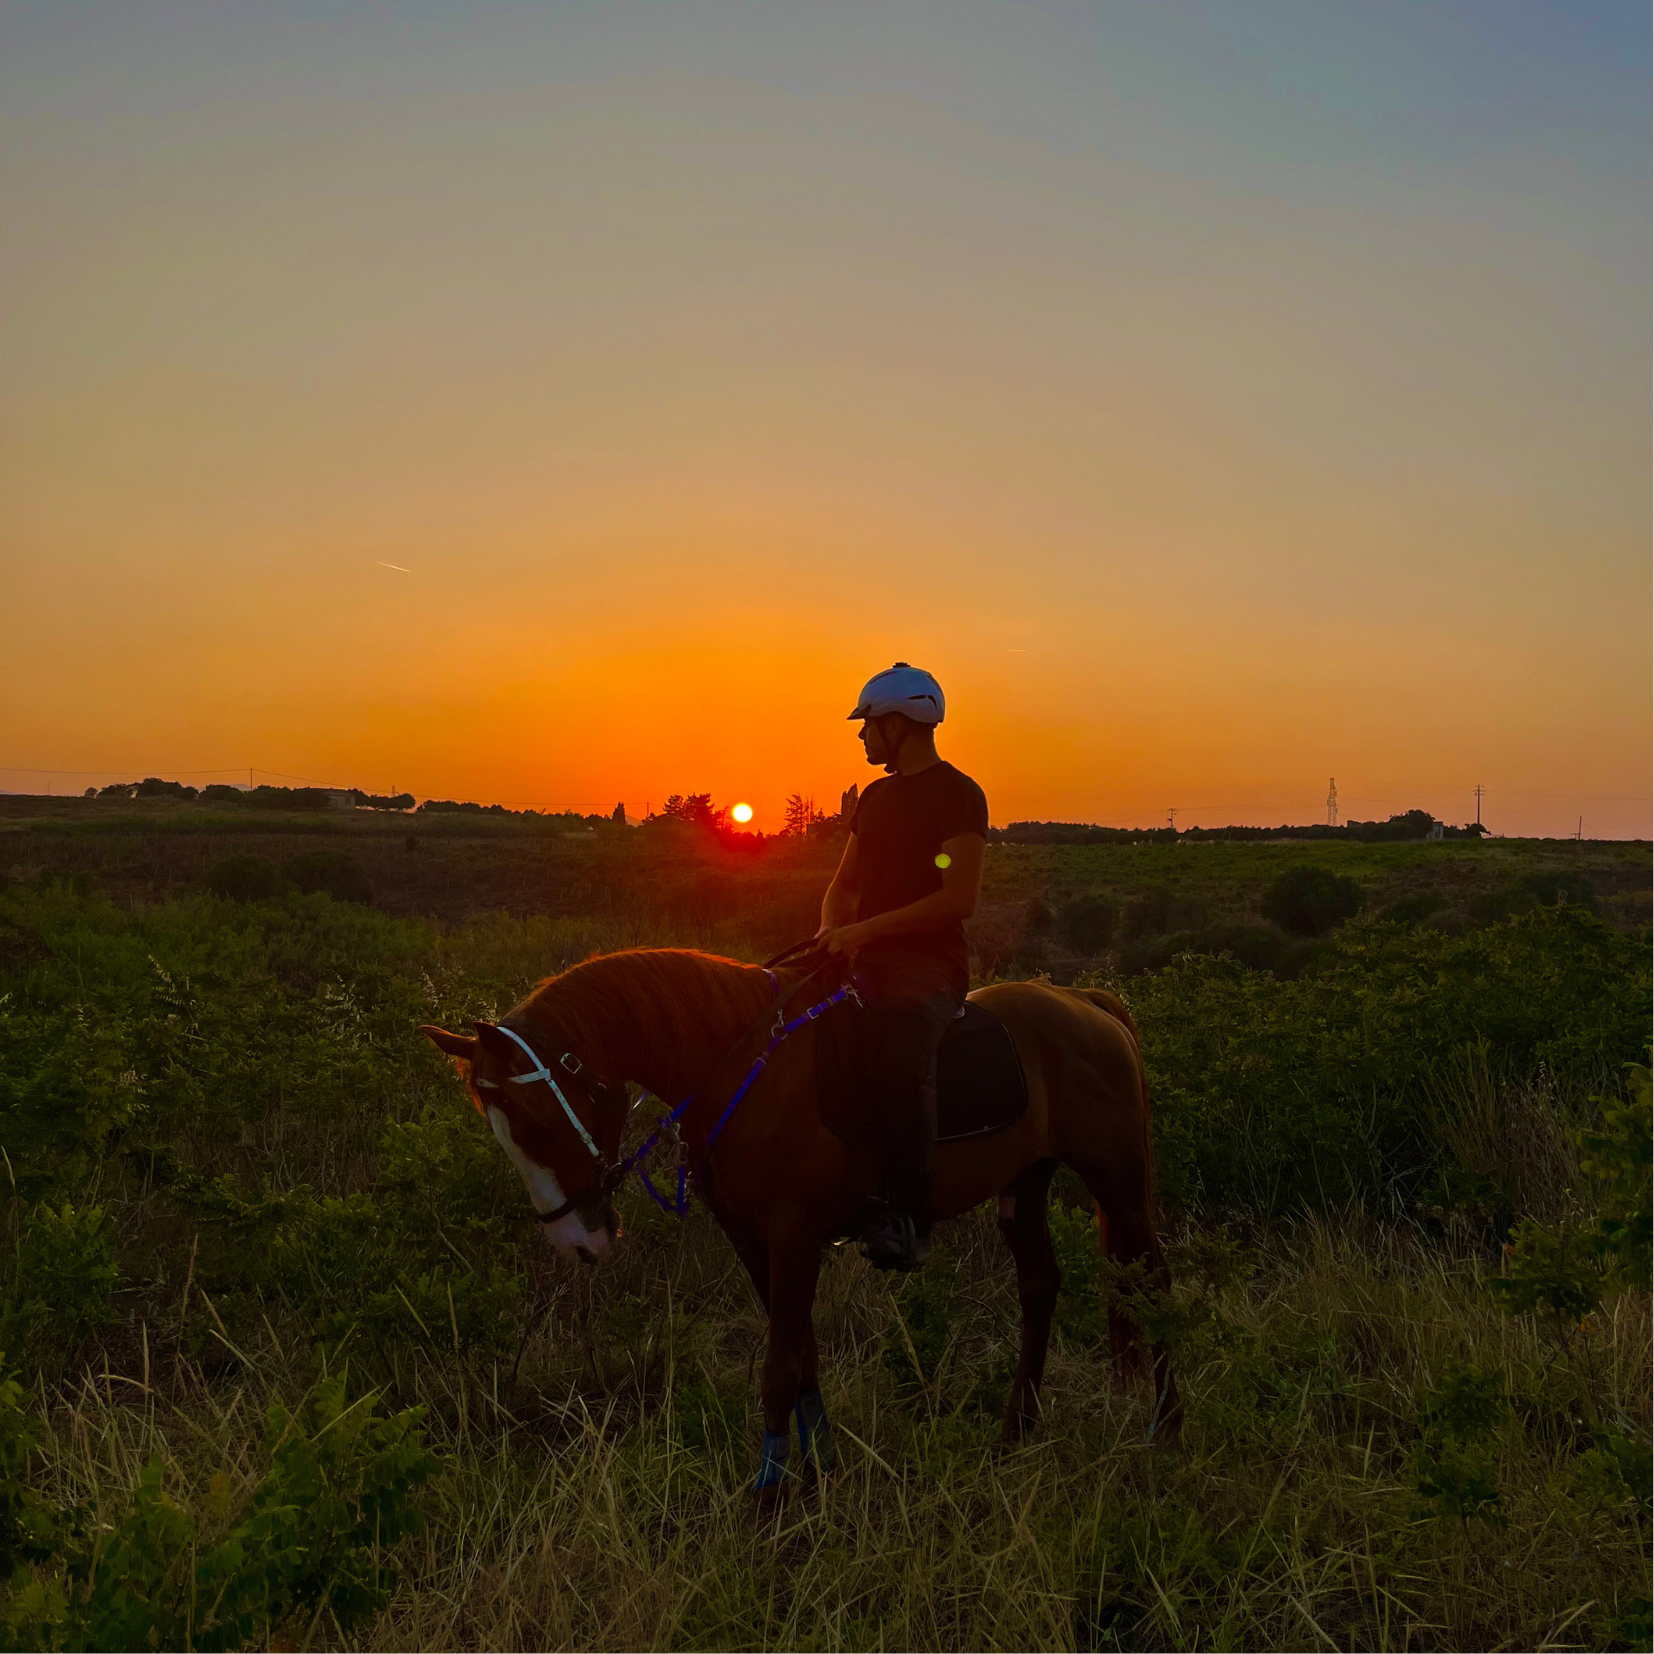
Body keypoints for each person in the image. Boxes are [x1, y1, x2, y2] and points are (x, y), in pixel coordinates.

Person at [816, 663, 989, 1271]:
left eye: (867, 725)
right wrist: (830, 930)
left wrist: (865, 930)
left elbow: (957, 899)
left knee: (898, 1047)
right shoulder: (875, 797)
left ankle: (908, 1218)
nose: (861, 737)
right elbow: (843, 884)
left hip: (929, 965)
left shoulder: (959, 794)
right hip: (865, 954)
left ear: (898, 724)